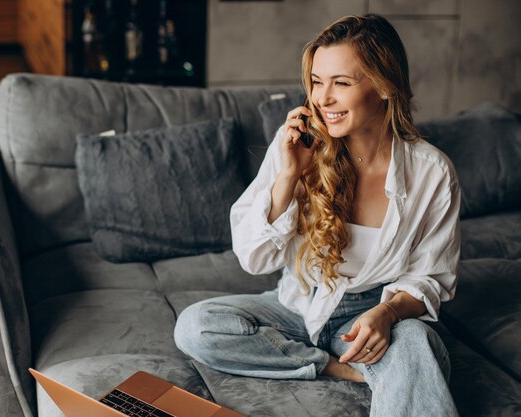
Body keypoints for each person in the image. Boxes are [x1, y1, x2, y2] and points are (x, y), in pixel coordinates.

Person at [174, 13, 461, 417]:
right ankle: (338, 368)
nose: (322, 98)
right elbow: (255, 258)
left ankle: (382, 363)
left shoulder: (432, 172)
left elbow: (432, 277)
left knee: (415, 342)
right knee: (196, 325)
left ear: (383, 85)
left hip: (372, 314)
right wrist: (290, 174)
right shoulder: (297, 144)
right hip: (298, 305)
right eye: (316, 81)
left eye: (341, 83)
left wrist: (387, 314)